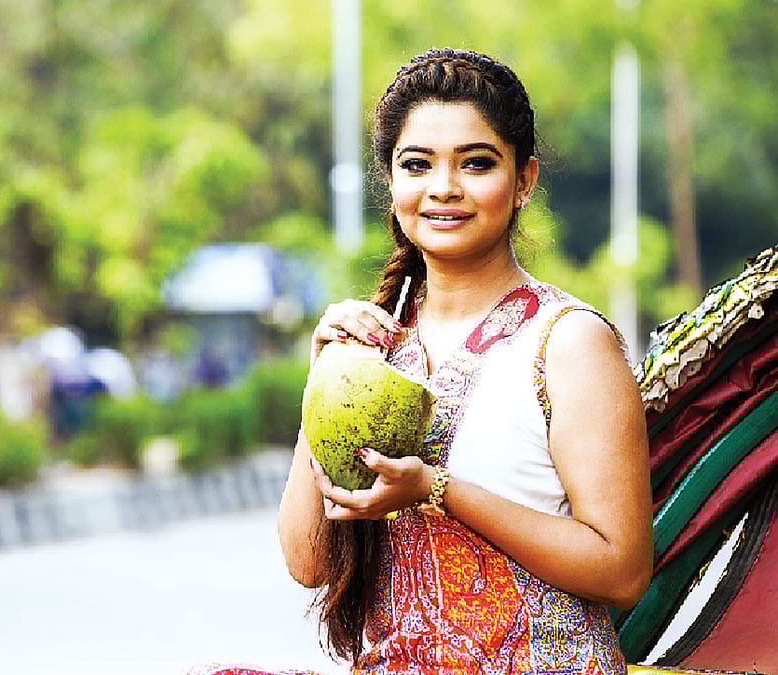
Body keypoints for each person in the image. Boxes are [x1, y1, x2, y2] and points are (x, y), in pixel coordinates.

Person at [193, 48, 653, 675]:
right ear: (392, 181)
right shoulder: (376, 347)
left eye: (476, 164)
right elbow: (309, 563)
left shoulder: (568, 344)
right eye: (418, 164)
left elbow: (623, 569)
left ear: (524, 181)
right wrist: (323, 378)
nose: (444, 187)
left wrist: (438, 490)